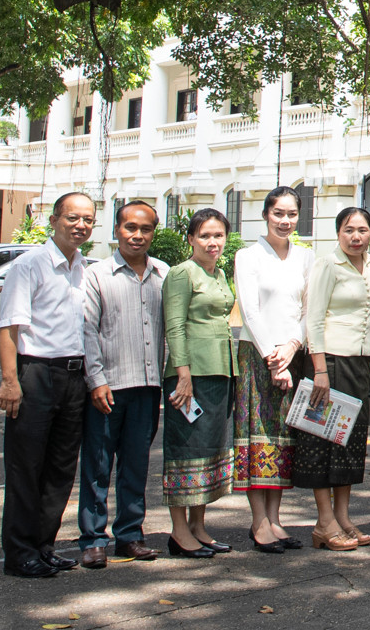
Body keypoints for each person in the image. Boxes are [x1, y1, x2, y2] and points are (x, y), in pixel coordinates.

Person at [0, 192, 97, 578]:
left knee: (59, 468)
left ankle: (43, 545)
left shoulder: (83, 268)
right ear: (54, 220)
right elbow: (9, 329)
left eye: (88, 219)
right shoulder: (30, 266)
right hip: (35, 373)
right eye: (73, 217)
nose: (80, 225)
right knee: (26, 467)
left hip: (75, 377)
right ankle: (19, 552)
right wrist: (10, 382)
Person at [78, 200, 168, 568]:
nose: (137, 235)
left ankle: (130, 534)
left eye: (145, 229)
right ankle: (93, 538)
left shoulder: (164, 272)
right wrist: (95, 380)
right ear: (116, 230)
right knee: (98, 466)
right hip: (108, 387)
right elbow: (86, 330)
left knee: (136, 466)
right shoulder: (96, 274)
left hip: (148, 387)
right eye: (130, 227)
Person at [297, 205, 370, 550]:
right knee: (323, 438)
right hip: (330, 362)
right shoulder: (327, 264)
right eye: (349, 230)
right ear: (338, 233)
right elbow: (313, 319)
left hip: (360, 362)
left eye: (362, 230)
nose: (355, 237)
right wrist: (319, 369)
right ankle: (324, 521)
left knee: (350, 440)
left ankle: (343, 516)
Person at [232, 187, 313, 551]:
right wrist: (273, 358)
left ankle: (276, 520)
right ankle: (258, 522)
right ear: (266, 214)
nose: (285, 221)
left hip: (293, 354)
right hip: (258, 355)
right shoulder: (248, 256)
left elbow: (309, 311)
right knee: (258, 437)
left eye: (292, 214)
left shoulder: (306, 258)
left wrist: (292, 347)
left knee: (283, 439)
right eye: (278, 213)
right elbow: (250, 312)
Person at [161, 208, 236, 557]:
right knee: (185, 450)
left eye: (218, 235)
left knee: (209, 451)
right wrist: (183, 375)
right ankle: (178, 532)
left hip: (221, 371)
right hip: (190, 376)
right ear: (190, 239)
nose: (212, 242)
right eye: (205, 235)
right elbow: (174, 326)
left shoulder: (219, 273)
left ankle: (198, 526)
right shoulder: (181, 274)